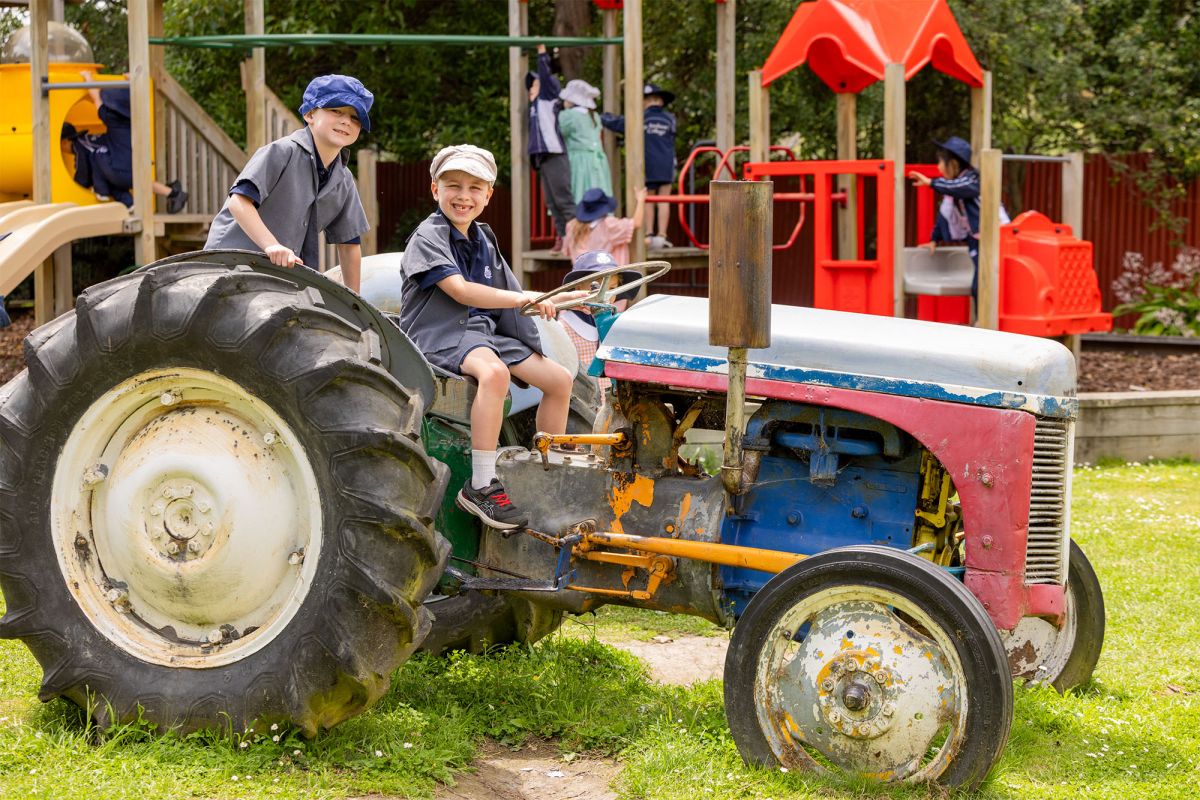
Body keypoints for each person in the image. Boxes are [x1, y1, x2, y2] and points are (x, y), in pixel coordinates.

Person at [399, 144, 588, 530]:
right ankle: (481, 484)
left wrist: (558, 298)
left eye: (474, 187)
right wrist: (525, 298)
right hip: (439, 333)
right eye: (454, 185)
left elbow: (511, 296)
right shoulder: (428, 237)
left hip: (480, 332)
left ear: (488, 195)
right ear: (435, 189)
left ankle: (545, 469)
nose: (463, 196)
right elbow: (463, 292)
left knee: (559, 379)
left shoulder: (484, 238)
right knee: (495, 374)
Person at [205, 74, 372, 293]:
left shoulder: (344, 179)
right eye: (336, 111)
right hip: (230, 268)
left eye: (355, 117)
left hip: (279, 279)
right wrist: (271, 245)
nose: (346, 121)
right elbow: (239, 203)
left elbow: (349, 244)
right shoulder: (282, 152)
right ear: (310, 114)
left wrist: (355, 302)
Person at [71, 71, 187, 212]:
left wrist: (88, 78)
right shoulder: (138, 117)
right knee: (126, 178)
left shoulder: (110, 118)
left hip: (120, 172)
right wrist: (134, 81)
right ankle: (167, 194)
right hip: (136, 168)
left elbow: (95, 96)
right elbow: (139, 99)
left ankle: (101, 191)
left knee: (96, 154)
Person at [909, 136, 991, 297]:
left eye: (941, 162)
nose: (938, 168)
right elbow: (944, 215)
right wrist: (934, 240)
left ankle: (986, 321)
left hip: (994, 239)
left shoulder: (973, 179)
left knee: (984, 285)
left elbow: (960, 187)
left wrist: (931, 183)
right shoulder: (952, 190)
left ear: (953, 164)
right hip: (976, 240)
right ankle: (982, 321)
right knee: (978, 287)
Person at [557, 249, 641, 401]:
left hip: (616, 405)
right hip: (581, 405)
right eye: (595, 288)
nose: (605, 296)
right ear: (578, 288)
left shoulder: (619, 325)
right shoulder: (564, 329)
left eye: (612, 288)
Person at [601, 83, 677, 248]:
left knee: (648, 198)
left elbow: (620, 124)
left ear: (649, 100)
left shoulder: (641, 118)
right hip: (667, 164)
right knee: (664, 199)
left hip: (648, 163)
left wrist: (604, 117)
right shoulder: (670, 119)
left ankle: (649, 234)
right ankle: (662, 236)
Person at [527, 44, 574, 254]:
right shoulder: (534, 107)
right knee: (552, 203)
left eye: (535, 84)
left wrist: (542, 53)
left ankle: (574, 239)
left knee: (563, 200)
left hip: (555, 154)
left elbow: (546, 78)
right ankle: (563, 238)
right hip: (543, 158)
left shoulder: (548, 100)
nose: (532, 88)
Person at [561, 186, 647, 266]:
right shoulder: (609, 225)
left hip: (581, 274)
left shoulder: (571, 226)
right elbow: (636, 222)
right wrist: (640, 200)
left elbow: (566, 251)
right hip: (606, 275)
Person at [557, 78, 611, 203]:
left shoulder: (568, 116)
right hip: (598, 163)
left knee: (578, 194)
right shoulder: (594, 116)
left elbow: (560, 132)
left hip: (577, 161)